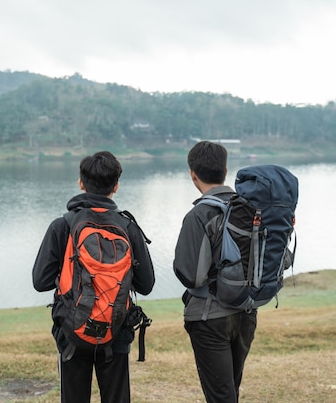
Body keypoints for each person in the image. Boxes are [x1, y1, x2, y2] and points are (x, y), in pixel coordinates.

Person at [33, 151, 155, 403]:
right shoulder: (128, 227)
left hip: (72, 329)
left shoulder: (63, 226)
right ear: (116, 186)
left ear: (80, 183)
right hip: (116, 326)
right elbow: (147, 285)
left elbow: (40, 281)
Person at [172, 141, 257, 403]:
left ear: (192, 173)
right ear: (226, 169)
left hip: (210, 317)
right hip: (246, 311)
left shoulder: (199, 214)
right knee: (231, 388)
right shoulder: (249, 208)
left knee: (220, 395)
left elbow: (191, 276)